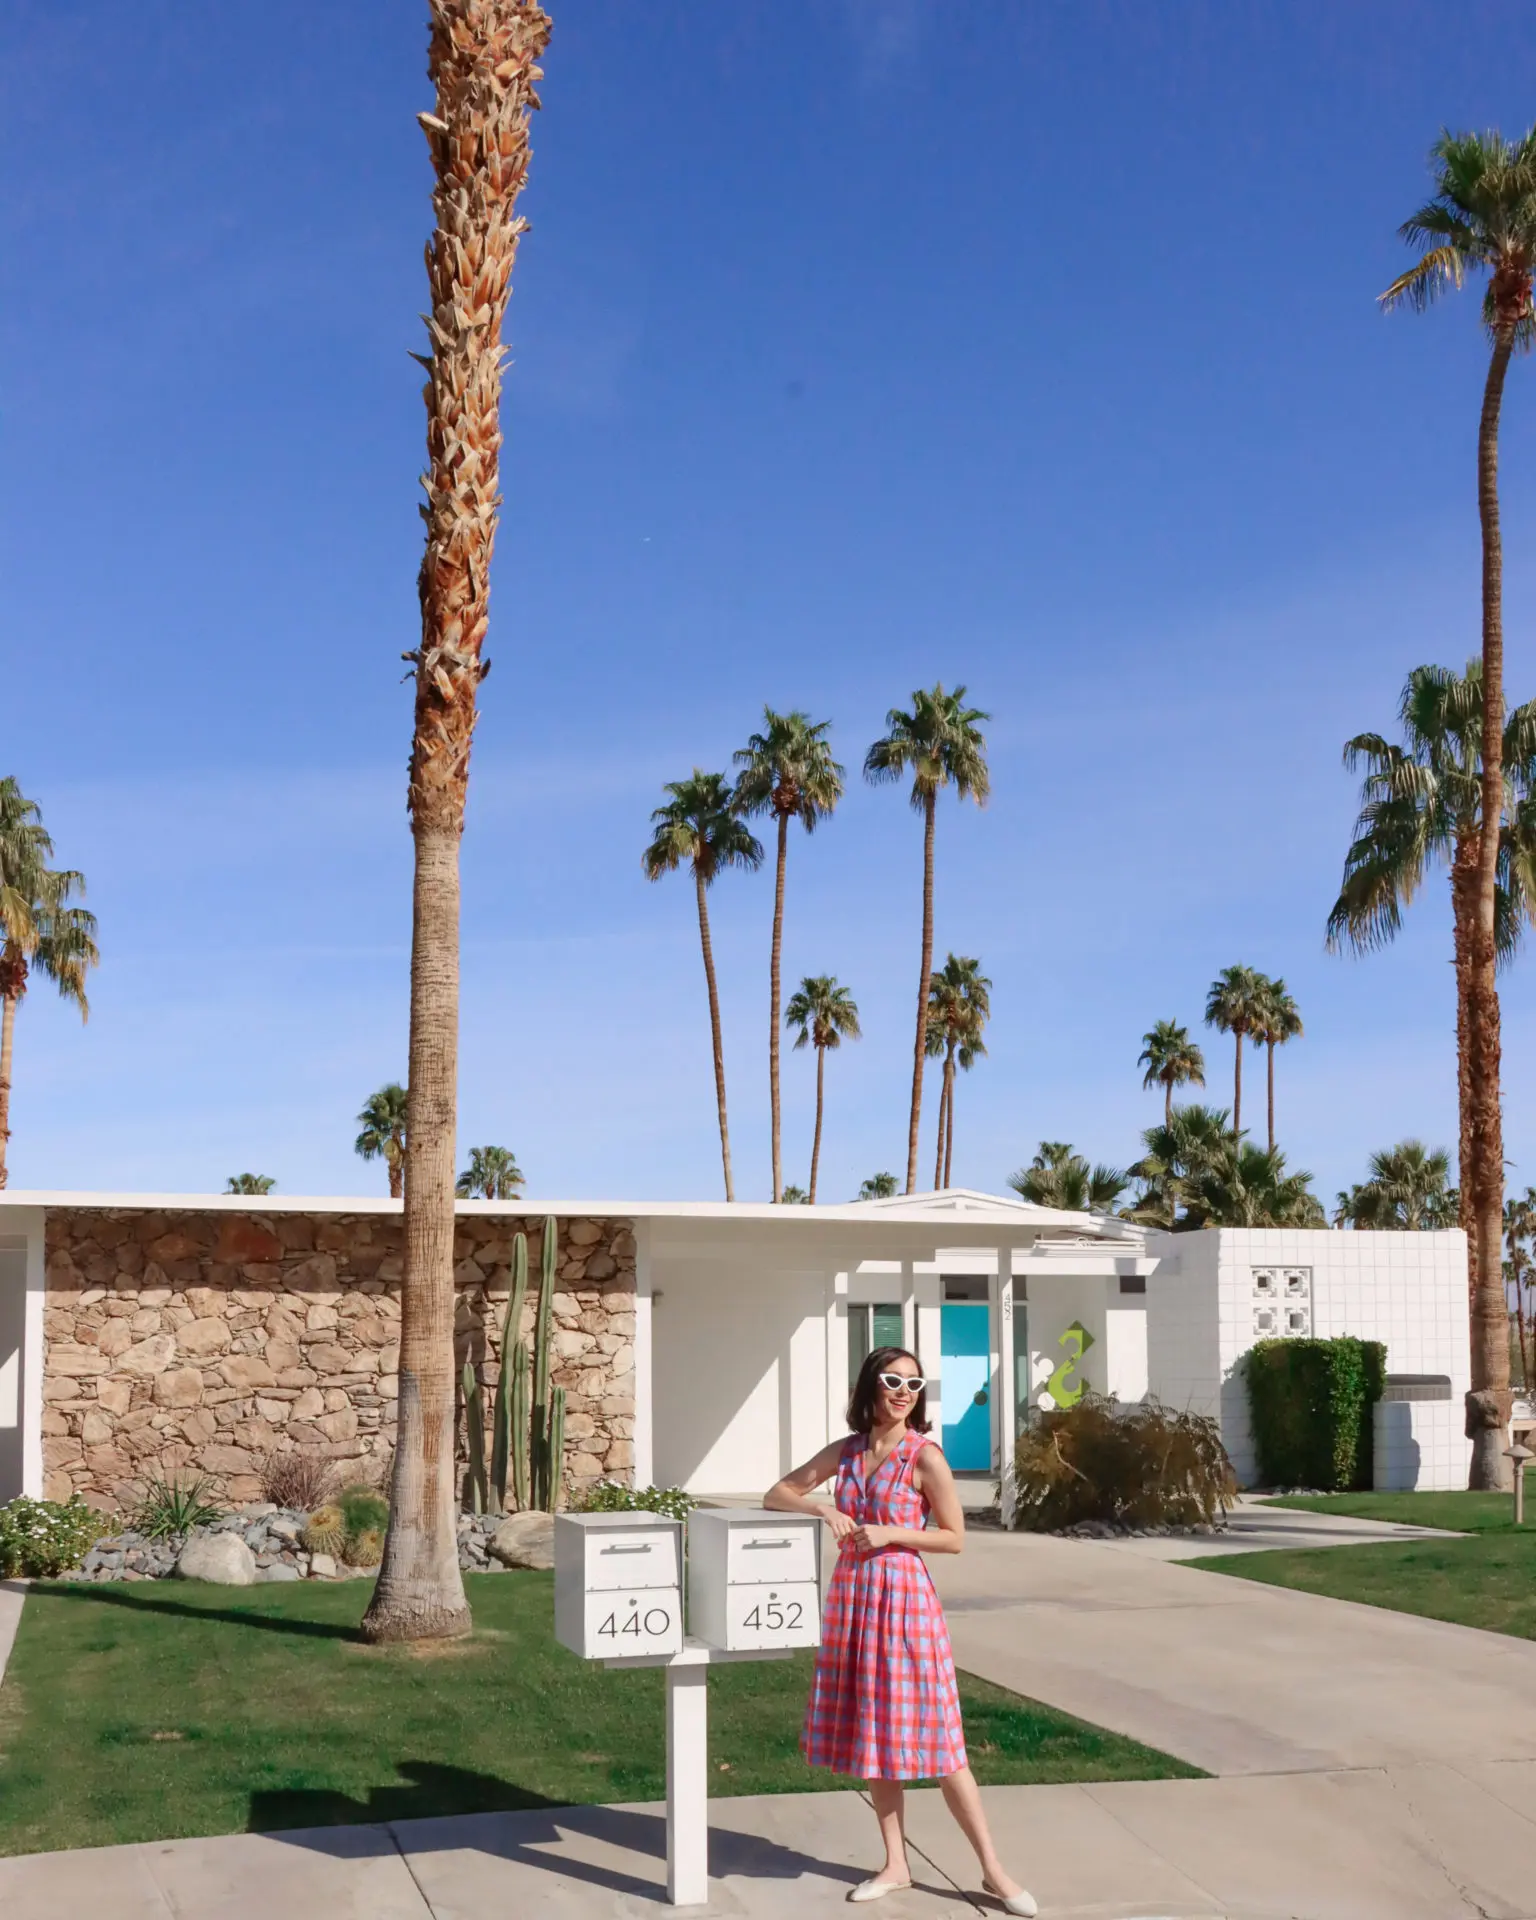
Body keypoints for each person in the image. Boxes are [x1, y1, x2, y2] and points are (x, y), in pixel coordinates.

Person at [764, 1346, 1036, 1913]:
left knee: (941, 1744)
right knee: (875, 1738)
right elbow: (779, 1493)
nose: (903, 1391)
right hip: (854, 1601)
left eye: (913, 1384)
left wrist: (890, 1533)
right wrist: (825, 1512)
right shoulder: (846, 1452)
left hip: (906, 1606)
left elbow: (954, 1536)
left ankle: (993, 1870)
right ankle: (896, 1863)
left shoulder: (924, 1455)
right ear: (870, 1386)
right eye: (892, 1380)